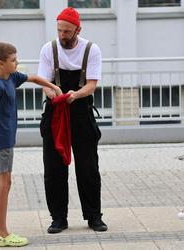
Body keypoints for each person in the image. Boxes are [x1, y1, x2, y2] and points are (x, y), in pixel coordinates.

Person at [0, 42, 62, 247]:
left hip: (4, 140)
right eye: (13, 60)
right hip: (1, 141)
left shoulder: (11, 77)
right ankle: (2, 232)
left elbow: (34, 78)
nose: (17, 63)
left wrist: (52, 86)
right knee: (4, 184)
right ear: (1, 63)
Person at [38, 7, 108, 233]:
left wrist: (75, 95)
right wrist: (55, 94)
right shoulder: (49, 49)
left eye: (67, 32)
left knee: (88, 167)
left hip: (81, 111)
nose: (62, 35)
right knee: (54, 168)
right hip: (56, 112)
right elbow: (45, 83)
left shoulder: (91, 49)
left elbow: (91, 84)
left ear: (78, 29)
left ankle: (94, 216)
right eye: (59, 30)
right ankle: (58, 218)